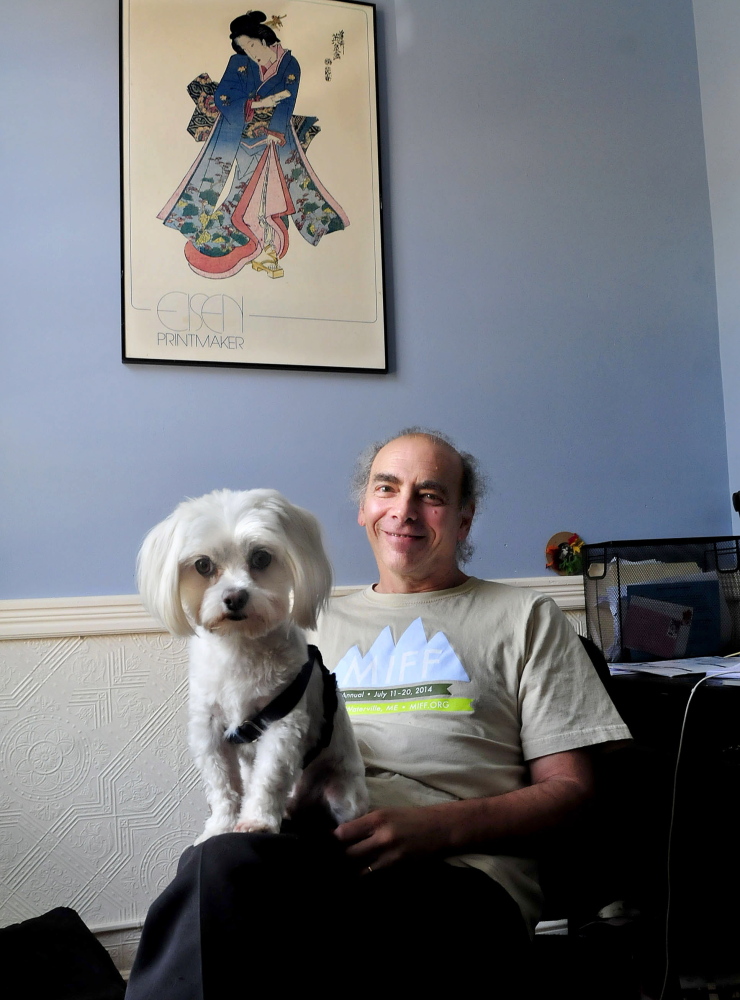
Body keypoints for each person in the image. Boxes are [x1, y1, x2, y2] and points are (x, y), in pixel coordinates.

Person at [126, 428, 630, 998]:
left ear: (464, 520)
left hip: (459, 876)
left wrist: (435, 830)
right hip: (316, 852)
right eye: (387, 488)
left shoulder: (526, 617)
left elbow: (574, 793)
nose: (404, 511)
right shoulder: (299, 625)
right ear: (365, 509)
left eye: (431, 495)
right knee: (214, 869)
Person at [157, 10, 349, 278]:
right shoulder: (238, 63)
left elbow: (287, 102)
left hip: (272, 133)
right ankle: (203, 223)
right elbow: (224, 97)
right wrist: (258, 103)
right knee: (219, 175)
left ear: (264, 37)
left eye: (251, 45)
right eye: (244, 48)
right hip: (235, 127)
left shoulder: (290, 65)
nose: (250, 52)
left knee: (264, 185)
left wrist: (275, 131)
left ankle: (251, 237)